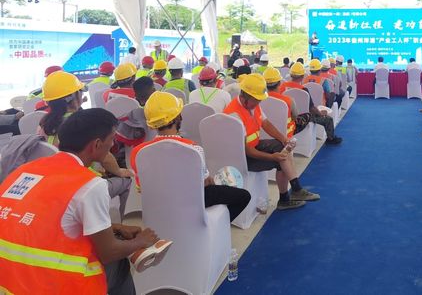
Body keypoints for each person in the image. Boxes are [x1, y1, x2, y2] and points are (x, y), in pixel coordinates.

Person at [0, 108, 168, 295]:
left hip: (9, 282)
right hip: (53, 286)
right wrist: (141, 241)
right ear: (96, 145)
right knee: (118, 263)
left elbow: (45, 219)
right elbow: (109, 252)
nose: (113, 144)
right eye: (111, 139)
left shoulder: (24, 170)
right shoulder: (90, 184)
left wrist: (113, 227)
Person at [132, 92, 251, 222]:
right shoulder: (193, 149)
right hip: (190, 202)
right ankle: (216, 225)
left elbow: (141, 188)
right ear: (178, 117)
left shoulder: (138, 152)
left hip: (159, 207)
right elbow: (203, 183)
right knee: (244, 196)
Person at [38, 71, 134, 219]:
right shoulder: (81, 123)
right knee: (128, 182)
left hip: (56, 182)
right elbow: (105, 156)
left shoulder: (43, 124)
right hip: (85, 182)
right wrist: (119, 172)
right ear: (73, 97)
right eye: (79, 92)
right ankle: (119, 223)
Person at [224, 74, 320, 210]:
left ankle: (295, 191)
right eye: (256, 101)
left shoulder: (252, 104)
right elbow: (246, 150)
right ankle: (288, 196)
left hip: (253, 147)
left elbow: (266, 123)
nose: (258, 104)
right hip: (243, 157)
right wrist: (272, 157)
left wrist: (283, 139)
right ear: (245, 96)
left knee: (282, 147)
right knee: (281, 160)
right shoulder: (234, 115)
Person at [281, 62, 342, 145]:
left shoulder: (282, 86)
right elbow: (311, 108)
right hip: (302, 119)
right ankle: (330, 139)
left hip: (286, 117)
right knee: (328, 119)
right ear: (302, 76)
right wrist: (320, 113)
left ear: (290, 75)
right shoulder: (303, 90)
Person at [263, 67, 298, 139]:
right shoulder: (289, 100)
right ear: (279, 83)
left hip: (264, 135)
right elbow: (295, 117)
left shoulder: (258, 100)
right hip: (285, 136)